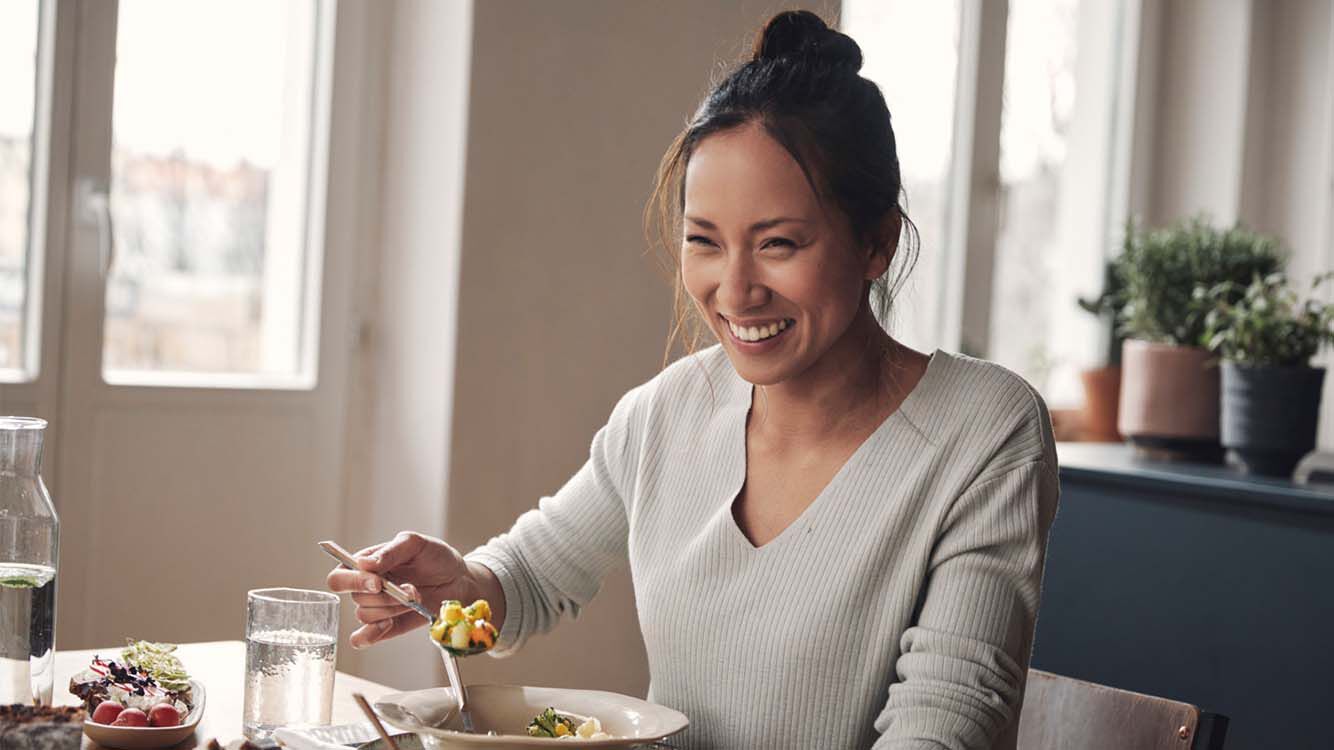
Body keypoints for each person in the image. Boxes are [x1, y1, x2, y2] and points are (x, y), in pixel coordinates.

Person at [328, 10, 1059, 749]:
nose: (735, 291)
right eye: (704, 242)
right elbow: (530, 578)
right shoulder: (666, 413)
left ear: (877, 242)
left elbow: (944, 724)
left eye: (779, 244)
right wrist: (461, 586)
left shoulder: (984, 429)